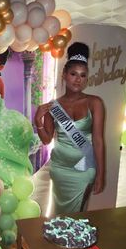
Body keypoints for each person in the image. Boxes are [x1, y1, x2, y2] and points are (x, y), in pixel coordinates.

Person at [34, 42, 105, 214]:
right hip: (59, 169)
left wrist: (101, 174)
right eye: (73, 74)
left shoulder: (94, 102)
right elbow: (46, 139)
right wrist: (38, 120)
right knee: (58, 214)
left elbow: (98, 140)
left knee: (76, 215)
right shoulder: (53, 107)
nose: (78, 79)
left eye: (83, 75)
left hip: (84, 169)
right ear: (64, 75)